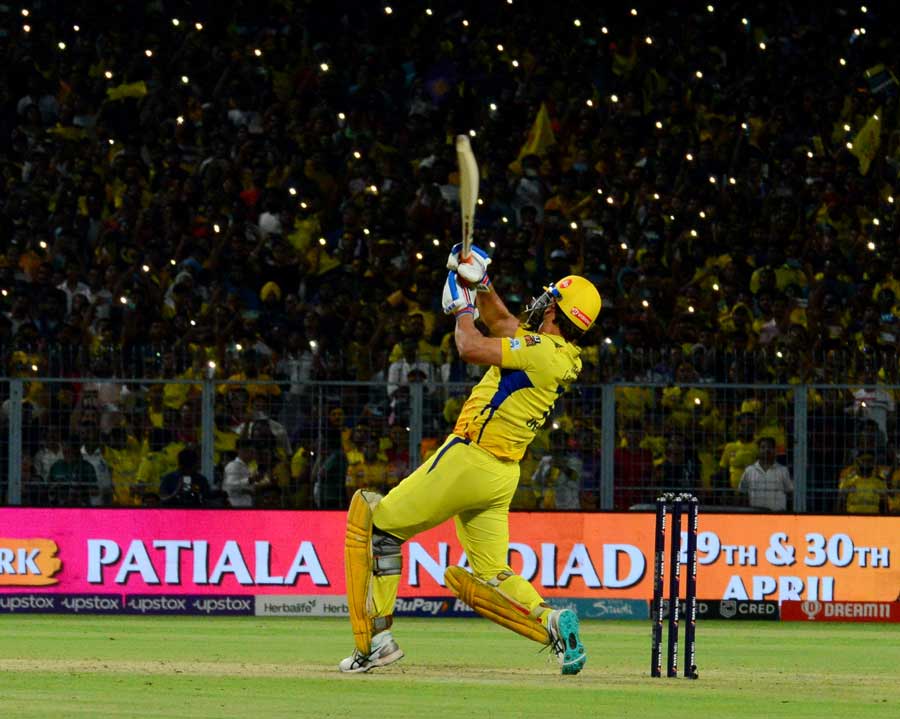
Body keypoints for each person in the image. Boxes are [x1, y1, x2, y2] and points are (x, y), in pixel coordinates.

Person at [340, 243, 600, 676]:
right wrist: (480, 282)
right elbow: (501, 321)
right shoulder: (560, 354)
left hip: (469, 457)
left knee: (379, 527)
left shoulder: (538, 351)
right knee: (493, 571)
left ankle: (377, 641)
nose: (540, 302)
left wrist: (460, 306)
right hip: (500, 476)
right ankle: (552, 623)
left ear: (557, 313)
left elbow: (470, 345)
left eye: (548, 299)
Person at [738, 437, 794, 511]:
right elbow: (742, 493)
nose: (766, 450)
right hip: (755, 515)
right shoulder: (749, 471)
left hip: (778, 515)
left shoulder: (783, 470)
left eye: (770, 447)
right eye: (763, 447)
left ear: (775, 450)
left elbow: (790, 493)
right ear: (758, 450)